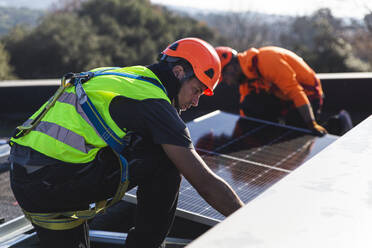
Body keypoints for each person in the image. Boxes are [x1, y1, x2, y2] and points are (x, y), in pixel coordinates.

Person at [9, 37, 244, 248]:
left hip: (26, 176)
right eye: (196, 90)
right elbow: (204, 183)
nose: (195, 101)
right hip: (51, 183)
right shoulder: (153, 102)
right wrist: (252, 219)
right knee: (168, 160)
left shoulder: (125, 76)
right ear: (179, 72)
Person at [215, 46, 327, 136]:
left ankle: (336, 124)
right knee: (251, 104)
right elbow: (245, 110)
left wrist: (311, 123)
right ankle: (275, 134)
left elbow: (295, 91)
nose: (228, 83)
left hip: (308, 95)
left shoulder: (266, 60)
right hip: (283, 98)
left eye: (225, 78)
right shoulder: (246, 79)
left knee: (297, 132)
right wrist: (241, 136)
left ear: (230, 68)